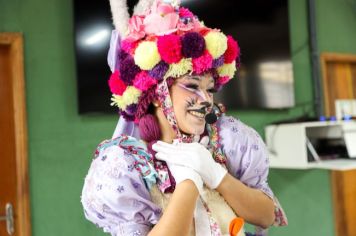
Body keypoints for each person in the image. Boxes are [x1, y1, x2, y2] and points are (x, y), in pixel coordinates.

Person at [81, 0, 288, 235]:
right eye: (191, 86)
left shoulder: (228, 139)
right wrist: (189, 181)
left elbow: (266, 215)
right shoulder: (124, 164)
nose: (205, 100)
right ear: (157, 93)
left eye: (210, 89)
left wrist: (217, 176)